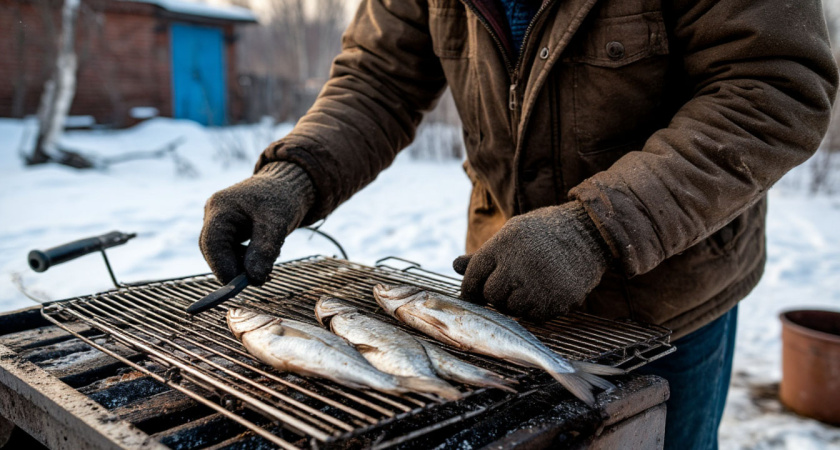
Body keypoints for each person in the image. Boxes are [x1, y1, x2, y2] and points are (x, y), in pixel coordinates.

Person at [199, 1, 838, 448]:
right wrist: (295, 176)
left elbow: (773, 87)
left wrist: (601, 226)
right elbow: (378, 79)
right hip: (506, 288)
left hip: (669, 296)